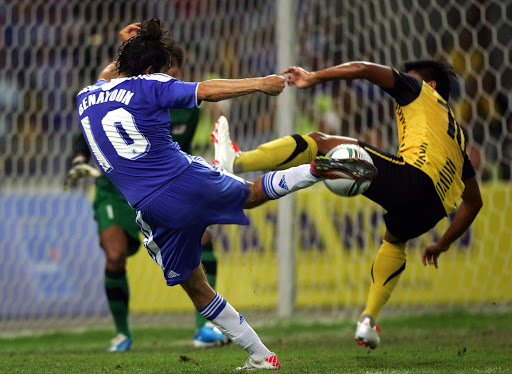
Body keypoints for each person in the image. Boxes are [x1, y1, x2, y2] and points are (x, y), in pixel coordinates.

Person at [76, 18, 376, 370]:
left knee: (196, 288)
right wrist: (261, 84)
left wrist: (126, 48)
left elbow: (108, 74)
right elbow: (205, 90)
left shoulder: (86, 96)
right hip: (185, 176)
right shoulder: (152, 85)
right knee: (250, 193)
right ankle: (313, 170)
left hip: (153, 208)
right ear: (151, 69)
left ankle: (262, 356)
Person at [212, 59, 483, 350]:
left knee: (320, 141)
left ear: (430, 86)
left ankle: (237, 162)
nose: (405, 81)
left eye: (411, 78)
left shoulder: (419, 91)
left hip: (415, 179)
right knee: (393, 242)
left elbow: (364, 69)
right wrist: (441, 244)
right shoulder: (457, 137)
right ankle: (368, 321)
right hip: (431, 210)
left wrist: (313, 77)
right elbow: (473, 202)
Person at [65, 23, 230, 351]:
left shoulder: (186, 106)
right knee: (114, 256)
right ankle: (122, 333)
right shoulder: (132, 91)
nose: (171, 80)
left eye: (176, 74)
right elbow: (93, 114)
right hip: (116, 188)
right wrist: (128, 48)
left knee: (203, 235)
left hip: (159, 186)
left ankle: (205, 327)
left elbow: (174, 153)